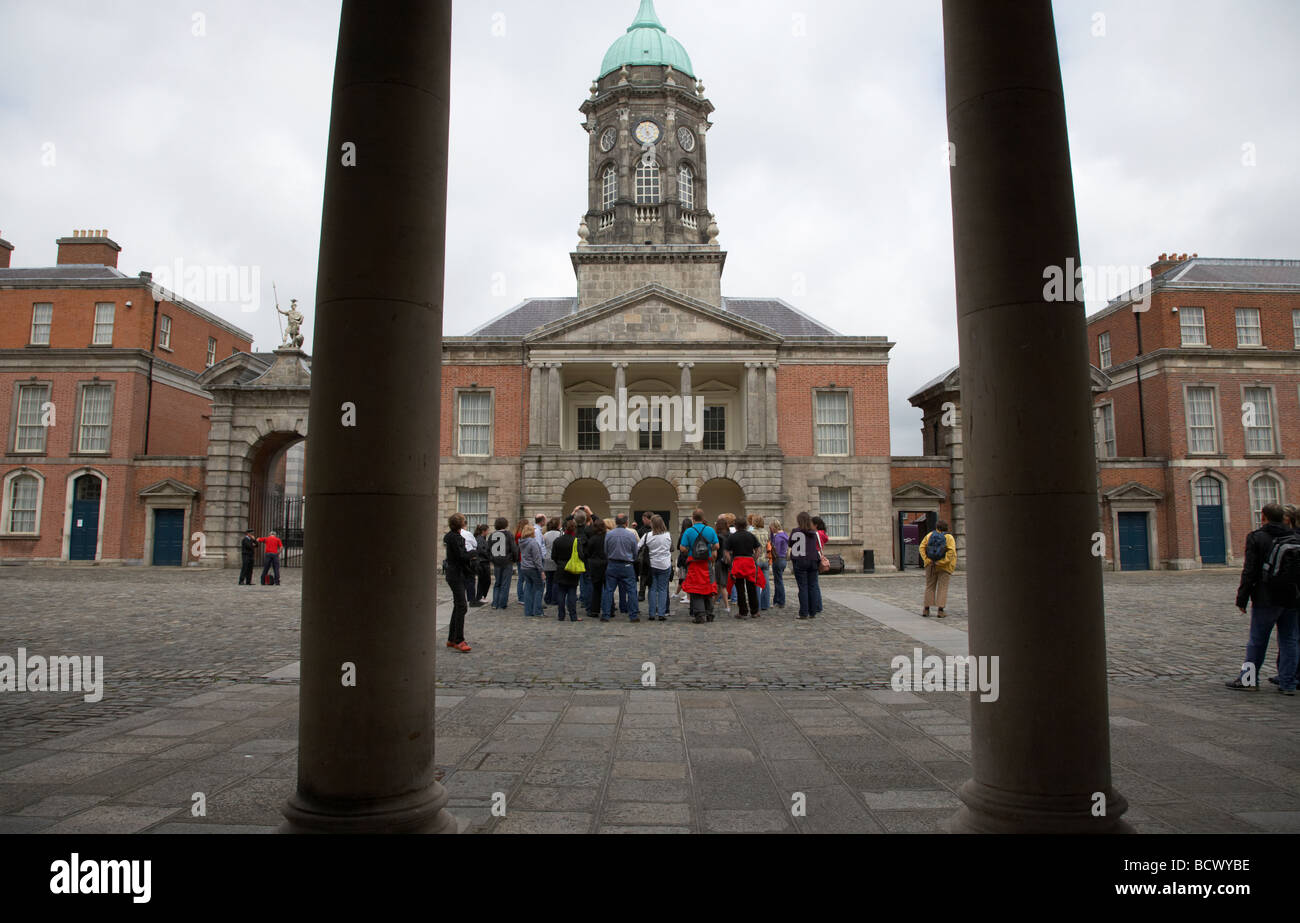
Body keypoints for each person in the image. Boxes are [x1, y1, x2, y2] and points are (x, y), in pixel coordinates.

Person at [1226, 503, 1297, 695]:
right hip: (1292, 597)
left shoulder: (1257, 537)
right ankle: (1288, 683)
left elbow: (1250, 571)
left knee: (1257, 640)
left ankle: (1248, 680)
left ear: (1264, 517)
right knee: (1290, 640)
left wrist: (1242, 598)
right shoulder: (1295, 537)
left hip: (1266, 597)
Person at [679, 509, 720, 623]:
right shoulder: (710, 530)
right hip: (706, 563)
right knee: (708, 587)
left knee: (696, 589)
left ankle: (700, 615)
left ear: (693, 518)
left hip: (694, 563)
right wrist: (707, 549)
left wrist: (691, 550)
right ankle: (710, 614)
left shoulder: (688, 531)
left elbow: (682, 547)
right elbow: (717, 545)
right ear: (703, 518)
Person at [603, 513, 641, 622]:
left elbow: (606, 550)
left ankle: (606, 614)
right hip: (627, 564)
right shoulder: (630, 535)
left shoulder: (609, 535)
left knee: (609, 590)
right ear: (626, 523)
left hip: (612, 564)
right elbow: (635, 551)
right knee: (632, 590)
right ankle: (633, 615)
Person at [443, 513, 472, 652]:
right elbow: (462, 556)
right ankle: (459, 639)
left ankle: (451, 638)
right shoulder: (455, 538)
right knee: (462, 606)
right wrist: (473, 553)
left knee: (458, 605)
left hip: (454, 573)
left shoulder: (452, 537)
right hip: (456, 574)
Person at [726, 515, 764, 619]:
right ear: (746, 525)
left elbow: (726, 552)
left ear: (736, 526)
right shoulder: (751, 536)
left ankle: (743, 612)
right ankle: (754, 611)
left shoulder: (732, 537)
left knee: (740, 588)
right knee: (751, 587)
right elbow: (758, 549)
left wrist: (730, 562)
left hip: (738, 562)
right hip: (749, 562)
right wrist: (754, 559)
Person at [639, 514, 674, 621]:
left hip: (652, 565)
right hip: (664, 565)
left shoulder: (647, 536)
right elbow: (671, 548)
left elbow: (638, 546)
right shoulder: (667, 535)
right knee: (663, 589)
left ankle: (651, 613)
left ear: (652, 524)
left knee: (652, 589)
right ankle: (662, 613)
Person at [919, 520, 957, 618]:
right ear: (946, 527)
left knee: (929, 586)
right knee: (942, 587)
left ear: (937, 527)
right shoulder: (949, 537)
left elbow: (922, 547)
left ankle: (926, 610)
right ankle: (940, 611)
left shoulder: (929, 535)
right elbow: (951, 552)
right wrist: (942, 562)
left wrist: (927, 560)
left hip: (930, 565)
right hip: (945, 567)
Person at [790, 511, 822, 620]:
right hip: (813, 560)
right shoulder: (813, 532)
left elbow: (791, 544)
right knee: (812, 586)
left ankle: (804, 612)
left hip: (800, 561)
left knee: (803, 587)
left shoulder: (795, 531)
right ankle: (812, 612)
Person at [551, 519, 585, 622]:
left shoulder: (557, 540)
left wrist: (560, 563)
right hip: (573, 568)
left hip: (561, 567)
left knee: (561, 592)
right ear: (574, 528)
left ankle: (561, 615)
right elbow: (581, 556)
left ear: (565, 528)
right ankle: (573, 616)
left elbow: (554, 556)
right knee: (572, 592)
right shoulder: (576, 540)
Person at [517, 517, 546, 618]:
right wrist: (541, 571)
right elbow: (537, 559)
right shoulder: (533, 543)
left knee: (528, 589)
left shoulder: (522, 542)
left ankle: (528, 611)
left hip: (524, 567)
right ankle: (537, 610)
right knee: (539, 588)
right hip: (533, 568)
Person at [487, 517, 518, 610]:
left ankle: (495, 603)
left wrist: (492, 559)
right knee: (505, 583)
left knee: (497, 583)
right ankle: (502, 603)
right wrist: (515, 560)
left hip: (496, 562)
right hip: (507, 561)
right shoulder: (509, 535)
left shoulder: (492, 535)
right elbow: (514, 549)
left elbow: (488, 549)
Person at [584, 517, 610, 620]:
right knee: (608, 589)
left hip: (595, 565)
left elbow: (588, 553)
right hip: (606, 563)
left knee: (596, 589)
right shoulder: (608, 537)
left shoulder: (592, 539)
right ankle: (609, 609)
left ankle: (594, 610)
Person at [751, 515, 772, 612]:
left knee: (756, 583)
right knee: (766, 583)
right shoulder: (766, 532)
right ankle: (766, 604)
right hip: (765, 560)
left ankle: (757, 604)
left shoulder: (751, 533)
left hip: (756, 560)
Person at [714, 515, 733, 615]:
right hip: (727, 561)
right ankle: (712, 603)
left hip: (719, 561)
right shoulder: (730, 535)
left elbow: (716, 550)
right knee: (720, 584)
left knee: (722, 585)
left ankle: (727, 606)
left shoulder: (718, 536)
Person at [542, 517, 562, 606]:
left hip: (547, 558)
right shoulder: (560, 534)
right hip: (556, 559)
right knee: (556, 581)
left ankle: (548, 598)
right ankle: (555, 598)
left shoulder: (545, 534)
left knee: (549, 581)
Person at [470, 523, 491, 606]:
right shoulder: (480, 539)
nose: (488, 532)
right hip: (482, 563)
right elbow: (482, 551)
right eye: (487, 530)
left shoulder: (481, 538)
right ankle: (480, 596)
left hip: (483, 562)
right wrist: (489, 556)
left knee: (484, 581)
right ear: (483, 531)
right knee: (484, 581)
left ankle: (481, 596)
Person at [768, 519, 788, 608]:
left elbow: (775, 548)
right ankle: (776, 600)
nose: (771, 529)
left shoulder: (778, 538)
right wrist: (772, 534)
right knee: (778, 580)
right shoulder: (784, 535)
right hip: (783, 559)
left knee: (779, 581)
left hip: (778, 560)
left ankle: (781, 601)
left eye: (771, 527)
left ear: (775, 527)